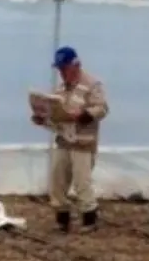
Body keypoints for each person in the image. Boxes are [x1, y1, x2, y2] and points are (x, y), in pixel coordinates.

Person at [31, 45, 109, 232]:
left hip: (83, 142)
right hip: (64, 140)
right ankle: (62, 218)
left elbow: (102, 108)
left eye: (64, 68)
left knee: (83, 182)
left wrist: (83, 115)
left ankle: (90, 218)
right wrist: (43, 120)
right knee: (58, 180)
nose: (62, 73)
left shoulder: (92, 84)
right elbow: (58, 119)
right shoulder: (60, 90)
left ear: (76, 65)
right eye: (59, 69)